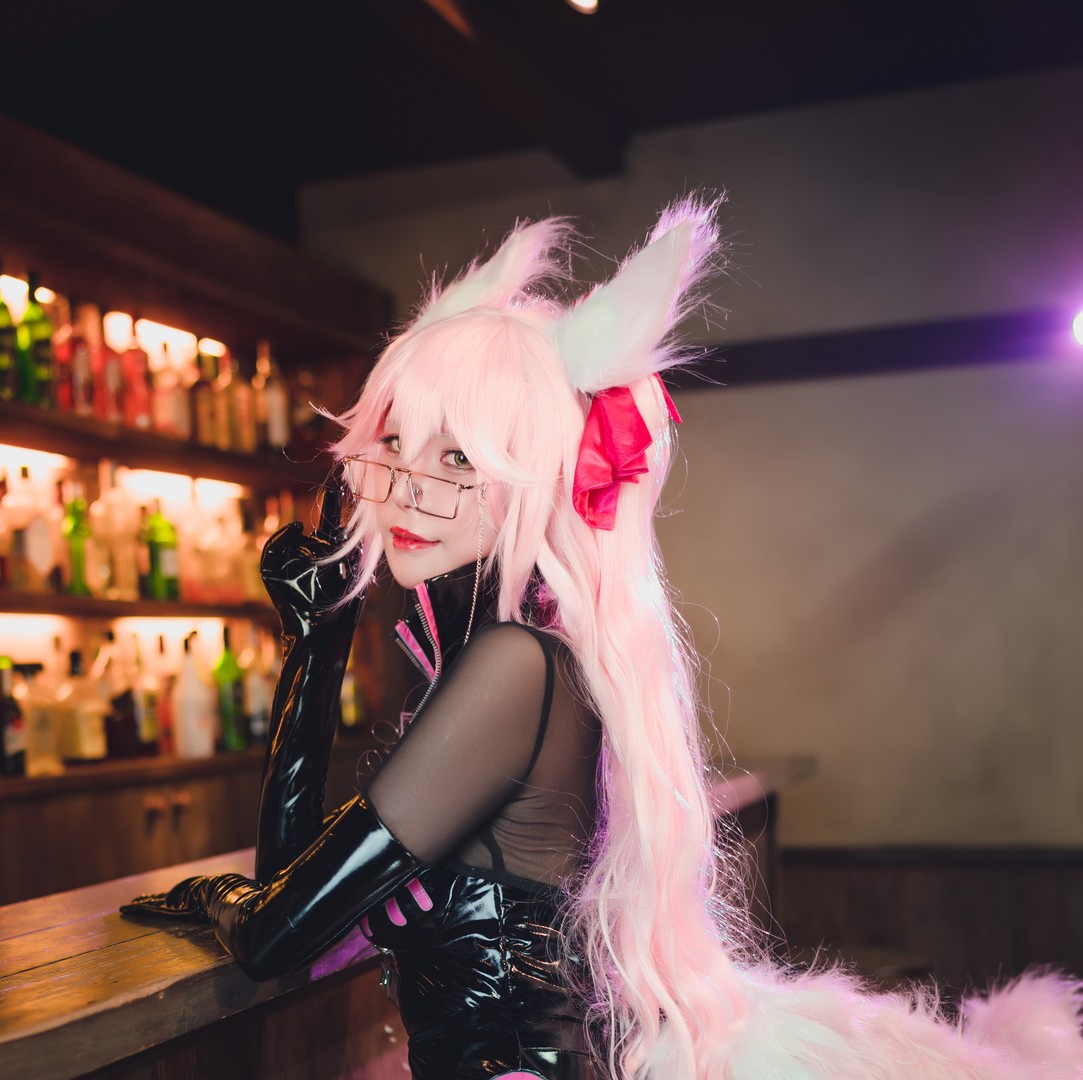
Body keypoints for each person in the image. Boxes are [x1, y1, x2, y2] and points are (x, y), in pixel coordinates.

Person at [123, 198, 1082, 1079]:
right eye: (395, 442)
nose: (411, 487)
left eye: (458, 456)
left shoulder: (513, 671)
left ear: (531, 478)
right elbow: (291, 895)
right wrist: (319, 639)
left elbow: (274, 934)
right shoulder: (503, 665)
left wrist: (217, 899)